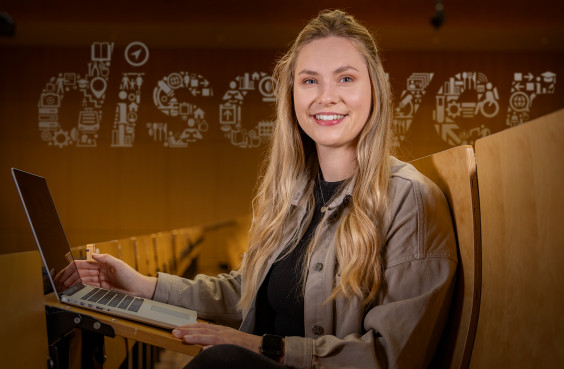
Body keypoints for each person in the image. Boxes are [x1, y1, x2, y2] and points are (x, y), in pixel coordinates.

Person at [56, 9, 457, 369]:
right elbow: (245, 293)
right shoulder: (292, 196)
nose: (326, 96)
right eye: (309, 80)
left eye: (346, 78)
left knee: (222, 363)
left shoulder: (410, 199)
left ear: (375, 91)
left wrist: (260, 346)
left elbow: (391, 356)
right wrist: (143, 286)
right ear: (292, 95)